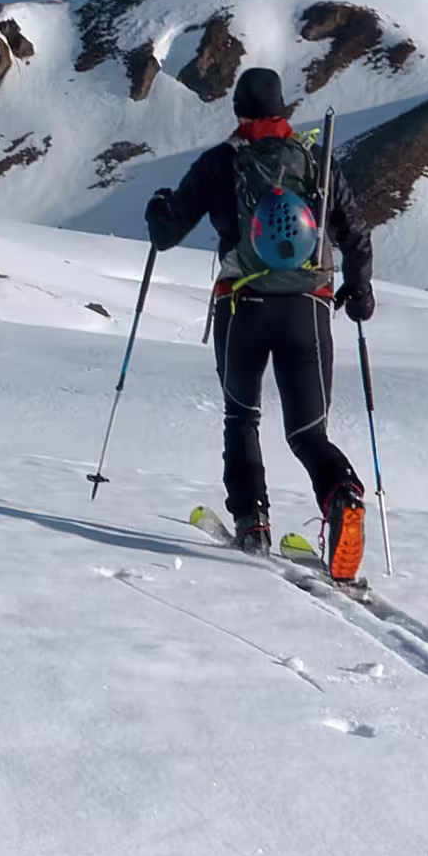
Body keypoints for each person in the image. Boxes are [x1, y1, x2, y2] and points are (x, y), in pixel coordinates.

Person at [147, 65, 374, 572]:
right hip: (308, 308)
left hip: (240, 307)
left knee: (241, 418)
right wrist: (359, 290)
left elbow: (166, 232)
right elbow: (355, 231)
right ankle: (343, 497)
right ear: (283, 109)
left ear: (238, 111)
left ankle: (253, 525)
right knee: (308, 431)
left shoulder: (219, 163)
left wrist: (156, 209)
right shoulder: (317, 163)